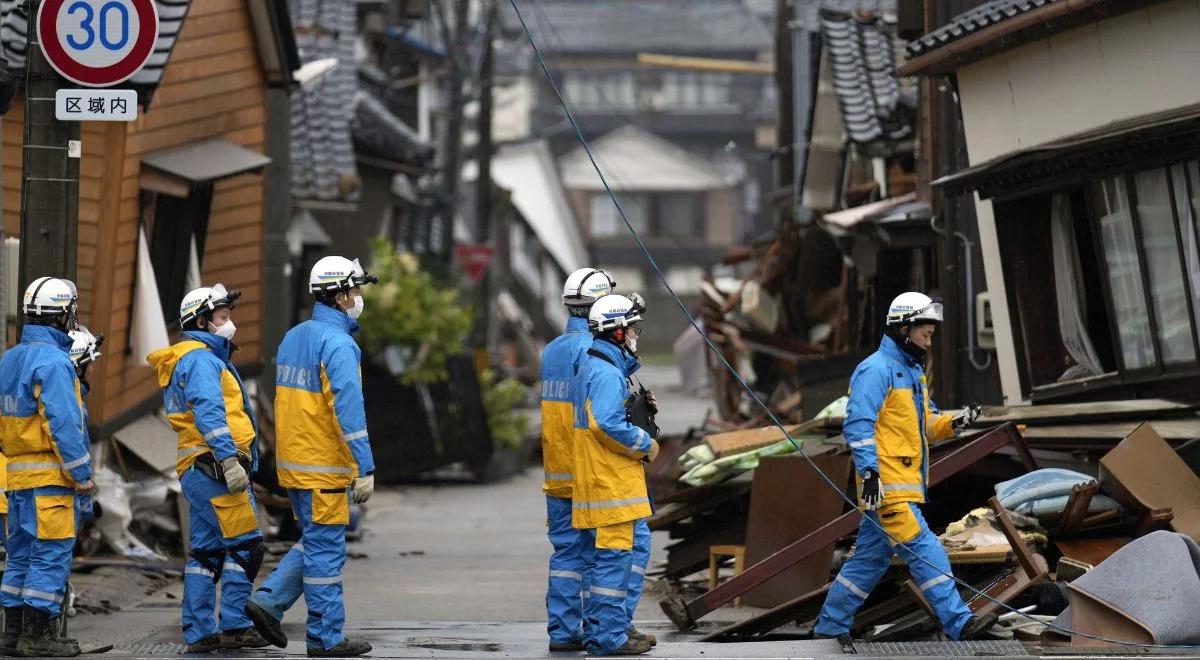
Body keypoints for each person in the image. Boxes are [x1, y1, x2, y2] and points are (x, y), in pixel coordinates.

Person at [813, 292, 991, 647]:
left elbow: (926, 423)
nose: (929, 340)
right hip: (888, 486)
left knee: (867, 563)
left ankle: (829, 628)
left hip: (902, 485)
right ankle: (959, 623)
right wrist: (871, 474)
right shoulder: (875, 370)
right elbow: (858, 425)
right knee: (927, 549)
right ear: (904, 328)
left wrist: (957, 422)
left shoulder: (911, 373)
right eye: (925, 333)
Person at [245, 256, 378, 658]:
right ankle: (325, 638)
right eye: (354, 291)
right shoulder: (339, 343)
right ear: (339, 296)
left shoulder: (295, 336)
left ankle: (269, 600)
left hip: (296, 463)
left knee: (317, 541)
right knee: (326, 552)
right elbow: (347, 409)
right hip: (324, 465)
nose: (357, 298)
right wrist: (365, 465)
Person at [147, 285, 269, 653]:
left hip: (198, 467)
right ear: (201, 321)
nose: (229, 323)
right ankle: (234, 624)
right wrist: (229, 459)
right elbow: (210, 412)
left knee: (206, 554)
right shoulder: (201, 360)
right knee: (247, 548)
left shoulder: (190, 358)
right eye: (222, 317)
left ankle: (200, 631)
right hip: (215, 466)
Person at [0, 277, 93, 657]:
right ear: (64, 312)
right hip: (49, 479)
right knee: (50, 554)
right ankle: (39, 637)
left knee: (20, 556)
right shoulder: (55, 362)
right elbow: (64, 425)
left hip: (17, 478)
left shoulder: (10, 357)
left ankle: (13, 635)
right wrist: (82, 475)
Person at [571, 295, 659, 656]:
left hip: (610, 484)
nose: (637, 334)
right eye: (633, 328)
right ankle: (608, 638)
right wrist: (645, 442)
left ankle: (613, 628)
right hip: (611, 485)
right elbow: (606, 423)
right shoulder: (606, 372)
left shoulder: (601, 365)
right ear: (618, 332)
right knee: (613, 562)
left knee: (629, 552)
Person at [542, 268, 614, 652]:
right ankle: (599, 629)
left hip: (557, 472)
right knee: (597, 556)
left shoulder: (552, 349)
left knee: (565, 555)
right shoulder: (594, 351)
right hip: (588, 472)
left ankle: (563, 631)